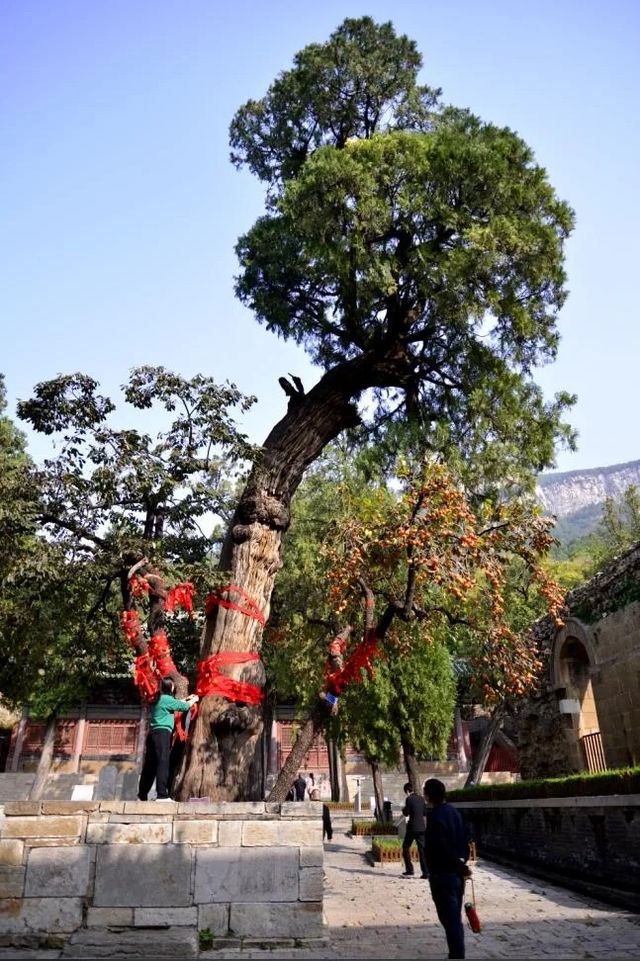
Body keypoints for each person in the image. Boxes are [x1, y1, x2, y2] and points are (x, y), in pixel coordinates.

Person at [423, 777, 470, 960]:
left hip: (442, 874)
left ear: (429, 795)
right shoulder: (455, 813)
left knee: (449, 919)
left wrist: (455, 863)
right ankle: (456, 952)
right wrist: (462, 862)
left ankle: (457, 955)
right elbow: (465, 841)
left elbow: (439, 847)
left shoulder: (435, 817)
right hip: (457, 874)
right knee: (454, 916)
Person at [137, 677, 198, 801]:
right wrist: (194, 700)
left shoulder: (158, 699)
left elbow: (175, 703)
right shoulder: (167, 699)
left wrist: (186, 699)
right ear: (171, 687)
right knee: (163, 763)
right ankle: (162, 795)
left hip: (153, 734)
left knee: (150, 765)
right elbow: (184, 707)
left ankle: (142, 795)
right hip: (162, 734)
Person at [401, 781, 429, 879]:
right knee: (422, 850)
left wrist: (403, 809)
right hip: (422, 827)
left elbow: (406, 813)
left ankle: (410, 870)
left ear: (408, 791)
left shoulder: (409, 799)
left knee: (405, 847)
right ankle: (426, 872)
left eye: (406, 792)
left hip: (412, 828)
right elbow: (425, 812)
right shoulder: (421, 799)